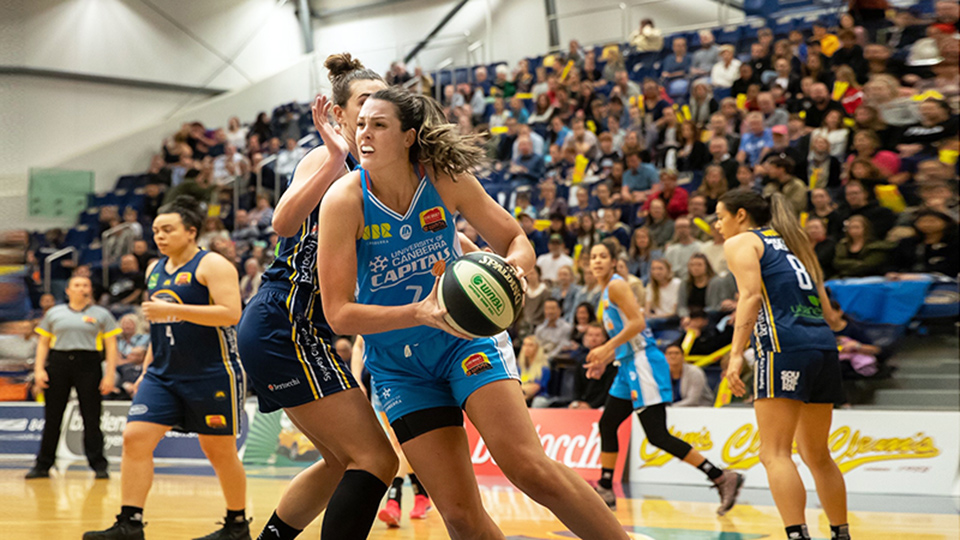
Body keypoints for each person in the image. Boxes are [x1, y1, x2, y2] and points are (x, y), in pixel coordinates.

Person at [317, 86, 629, 539]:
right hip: (401, 368)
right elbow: (339, 314)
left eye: (379, 125)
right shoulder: (344, 201)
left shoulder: (445, 178)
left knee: (528, 468)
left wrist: (513, 272)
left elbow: (516, 240)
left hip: (466, 341)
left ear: (408, 137)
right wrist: (419, 312)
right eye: (361, 124)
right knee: (461, 515)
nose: (364, 133)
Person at [235, 54, 398, 540]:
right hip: (283, 320)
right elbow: (282, 224)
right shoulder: (327, 158)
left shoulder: (381, 175)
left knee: (339, 462)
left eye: (382, 99)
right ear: (340, 114)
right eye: (363, 101)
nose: (375, 109)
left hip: (304, 327)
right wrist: (331, 157)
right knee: (376, 459)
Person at [84, 197, 249, 540]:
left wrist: (182, 310)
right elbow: (160, 324)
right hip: (162, 372)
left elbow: (231, 314)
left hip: (211, 372)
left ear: (191, 232)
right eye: (156, 230)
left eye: (168, 229)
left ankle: (237, 525)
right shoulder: (154, 269)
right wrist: (147, 367)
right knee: (134, 439)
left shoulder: (213, 265)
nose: (159, 236)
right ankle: (130, 523)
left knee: (218, 451)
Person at [715, 189, 850, 540]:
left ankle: (796, 535)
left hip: (783, 347)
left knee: (773, 452)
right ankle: (841, 534)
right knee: (817, 455)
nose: (717, 225)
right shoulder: (789, 244)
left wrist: (734, 356)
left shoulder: (742, 241)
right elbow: (828, 312)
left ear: (740, 215)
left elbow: (750, 296)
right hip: (822, 345)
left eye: (720, 216)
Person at [586, 239, 742, 511]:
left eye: (602, 256)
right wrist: (605, 358)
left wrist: (607, 347)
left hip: (643, 362)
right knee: (608, 424)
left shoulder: (616, 285)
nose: (597, 261)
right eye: (593, 257)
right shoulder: (603, 292)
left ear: (613, 261)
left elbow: (638, 324)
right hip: (626, 364)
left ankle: (720, 476)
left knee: (656, 434)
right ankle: (606, 487)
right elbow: (623, 337)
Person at [26, 275, 119, 480]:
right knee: (53, 417)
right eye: (77, 285)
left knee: (92, 417)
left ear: (90, 289)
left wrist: (109, 375)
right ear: (68, 290)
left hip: (89, 364)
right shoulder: (54, 313)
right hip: (58, 363)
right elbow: (43, 343)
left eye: (85, 285)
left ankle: (99, 465)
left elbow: (111, 346)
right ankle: (43, 465)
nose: (81, 288)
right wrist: (39, 370)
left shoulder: (101, 314)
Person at [518, 335, 553, 406]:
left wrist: (520, 389)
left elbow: (534, 388)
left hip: (539, 397)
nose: (526, 348)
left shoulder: (543, 368)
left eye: (530, 345)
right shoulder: (518, 367)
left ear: (537, 348)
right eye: (525, 345)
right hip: (521, 395)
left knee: (538, 402)